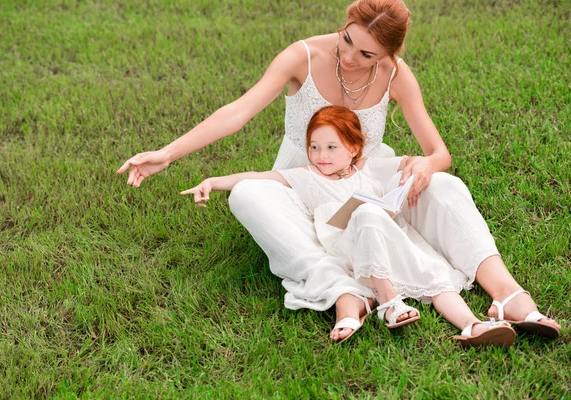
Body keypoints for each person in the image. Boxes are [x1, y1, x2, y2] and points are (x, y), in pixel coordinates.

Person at [117, 0, 560, 342]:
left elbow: (437, 151)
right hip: (302, 179)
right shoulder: (302, 56)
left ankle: (508, 296)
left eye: (367, 53)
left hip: (367, 175)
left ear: (388, 55)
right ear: (345, 23)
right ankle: (349, 293)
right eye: (347, 40)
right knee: (247, 195)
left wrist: (426, 164)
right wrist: (168, 153)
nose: (349, 56)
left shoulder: (395, 74)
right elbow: (238, 111)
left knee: (444, 184)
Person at [181, 105, 517, 347]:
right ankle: (389, 303)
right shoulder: (307, 177)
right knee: (366, 214)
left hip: (389, 239)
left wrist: (421, 170)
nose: (320, 156)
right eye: (314, 147)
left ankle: (473, 326)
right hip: (348, 247)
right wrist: (213, 181)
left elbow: (416, 164)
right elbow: (258, 177)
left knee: (433, 278)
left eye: (331, 148)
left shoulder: (368, 170)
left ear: (353, 148)